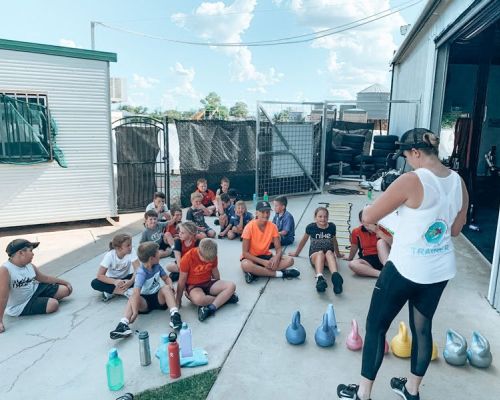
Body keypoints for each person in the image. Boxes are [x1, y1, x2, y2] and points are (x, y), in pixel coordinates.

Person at [337, 128, 468, 400]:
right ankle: (411, 390)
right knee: (422, 328)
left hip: (406, 268)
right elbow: (454, 230)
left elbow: (369, 215)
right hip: (439, 269)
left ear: (417, 152)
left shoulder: (412, 180)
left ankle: (363, 394)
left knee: (376, 326)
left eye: (407, 156)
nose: (407, 161)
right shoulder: (459, 182)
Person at [109, 241, 182, 339]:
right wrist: (135, 312)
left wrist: (170, 286)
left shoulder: (157, 266)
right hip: (145, 303)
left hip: (158, 297)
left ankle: (175, 316)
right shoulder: (141, 273)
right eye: (158, 253)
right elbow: (136, 294)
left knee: (166, 288)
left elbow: (166, 278)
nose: (159, 254)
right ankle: (123, 324)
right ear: (152, 258)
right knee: (132, 297)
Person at [0, 239, 72, 333]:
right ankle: (43, 301)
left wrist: (65, 282)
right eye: (31, 251)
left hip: (35, 290)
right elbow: (3, 297)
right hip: (21, 304)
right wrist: (0, 321)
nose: (33, 254)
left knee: (65, 290)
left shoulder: (29, 265)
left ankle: (41, 301)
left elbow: (44, 278)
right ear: (21, 253)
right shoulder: (5, 270)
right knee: (53, 305)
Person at [176, 238, 238, 322]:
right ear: (199, 252)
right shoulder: (187, 258)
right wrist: (178, 299)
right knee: (199, 299)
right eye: (206, 259)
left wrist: (219, 285)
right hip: (193, 286)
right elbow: (181, 280)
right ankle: (225, 299)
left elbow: (215, 271)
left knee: (231, 286)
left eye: (210, 260)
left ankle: (212, 307)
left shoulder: (212, 255)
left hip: (208, 282)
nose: (208, 261)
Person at [240, 200, 299, 284]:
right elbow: (245, 253)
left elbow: (278, 249)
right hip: (252, 258)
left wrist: (276, 257)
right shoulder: (249, 227)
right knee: (245, 264)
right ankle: (280, 274)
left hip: (266, 256)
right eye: (263, 212)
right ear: (256, 213)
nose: (266, 215)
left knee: (290, 260)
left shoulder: (273, 227)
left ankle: (256, 272)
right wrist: (263, 262)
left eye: (268, 212)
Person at [289, 207, 344, 294]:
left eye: (325, 216)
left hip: (328, 259)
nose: (323, 219)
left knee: (329, 252)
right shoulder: (311, 227)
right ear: (315, 217)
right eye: (320, 216)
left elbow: (334, 241)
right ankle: (319, 278)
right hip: (315, 256)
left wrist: (338, 254)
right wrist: (296, 253)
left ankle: (335, 276)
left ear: (328, 217)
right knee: (320, 253)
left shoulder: (332, 227)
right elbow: (303, 241)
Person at [91, 233, 140, 301]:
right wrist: (115, 281)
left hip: (126, 279)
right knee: (95, 283)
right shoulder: (110, 255)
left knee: (145, 274)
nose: (131, 247)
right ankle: (126, 292)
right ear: (119, 248)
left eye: (131, 244)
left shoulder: (131, 251)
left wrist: (131, 281)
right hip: (112, 280)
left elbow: (138, 269)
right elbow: (100, 275)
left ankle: (111, 292)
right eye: (128, 245)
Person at [346, 211, 392, 278]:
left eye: (371, 220)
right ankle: (382, 274)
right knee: (352, 264)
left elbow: (393, 244)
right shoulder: (356, 232)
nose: (368, 223)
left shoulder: (383, 228)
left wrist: (379, 232)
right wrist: (350, 257)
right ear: (361, 222)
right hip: (367, 260)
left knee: (381, 242)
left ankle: (387, 269)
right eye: (365, 221)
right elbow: (354, 246)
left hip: (384, 257)